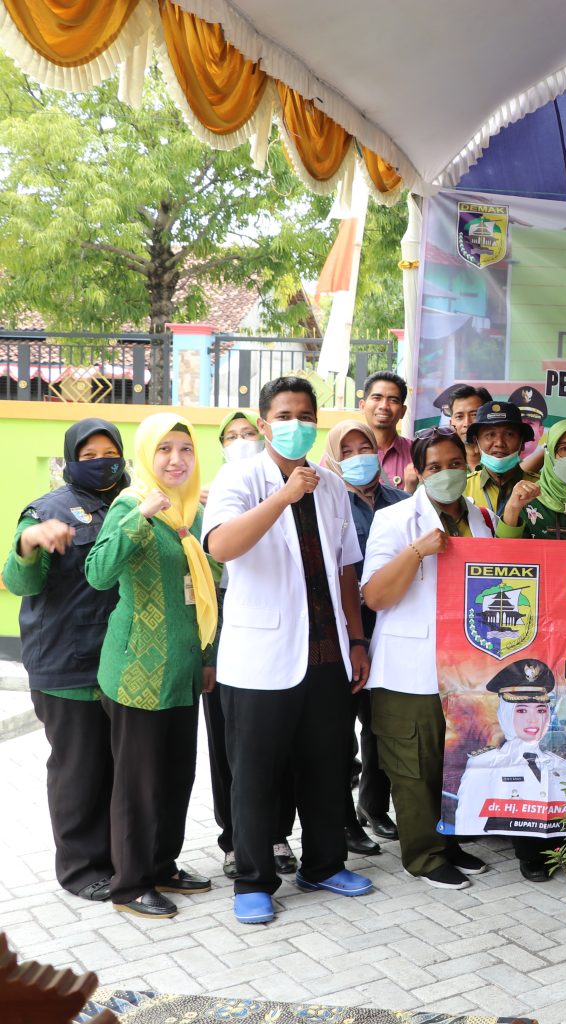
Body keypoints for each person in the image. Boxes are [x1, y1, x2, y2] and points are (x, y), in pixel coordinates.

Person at [203, 376, 375, 925]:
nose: (295, 424)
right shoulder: (238, 477)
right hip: (260, 658)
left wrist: (356, 640)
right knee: (255, 774)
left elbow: (346, 568)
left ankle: (324, 864)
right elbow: (221, 545)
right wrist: (283, 496)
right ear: (263, 424)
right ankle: (254, 880)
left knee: (326, 766)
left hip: (326, 652)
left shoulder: (330, 485)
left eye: (305, 415)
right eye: (284, 415)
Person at [84, 414, 218, 918]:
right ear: (146, 455)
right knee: (137, 785)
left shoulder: (192, 512)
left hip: (183, 668)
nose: (176, 459)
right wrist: (140, 515)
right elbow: (98, 574)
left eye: (185, 448)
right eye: (164, 449)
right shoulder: (130, 504)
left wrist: (207, 658)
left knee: (176, 776)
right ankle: (130, 885)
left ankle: (162, 865)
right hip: (137, 670)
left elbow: (205, 593)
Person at [361, 427, 495, 890]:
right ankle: (422, 856)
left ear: (468, 463)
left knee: (455, 759)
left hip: (466, 668)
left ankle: (449, 843)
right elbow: (375, 596)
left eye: (454, 464)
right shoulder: (394, 519)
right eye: (434, 466)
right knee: (415, 766)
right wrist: (417, 551)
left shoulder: (480, 517)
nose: (446, 473)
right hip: (410, 669)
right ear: (418, 471)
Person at [3, 418, 127, 903]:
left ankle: (125, 859)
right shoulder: (47, 510)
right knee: (80, 770)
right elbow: (20, 582)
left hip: (122, 659)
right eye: (89, 455)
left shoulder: (133, 503)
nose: (101, 463)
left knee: (120, 768)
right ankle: (80, 869)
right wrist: (28, 543)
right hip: (67, 663)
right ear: (71, 459)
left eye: (109, 453)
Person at [205, 412, 300, 879]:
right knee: (233, 745)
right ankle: (236, 841)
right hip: (222, 627)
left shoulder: (294, 484)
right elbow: (217, 551)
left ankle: (277, 834)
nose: (242, 441)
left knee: (279, 744)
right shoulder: (213, 493)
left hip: (281, 630)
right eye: (232, 436)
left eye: (248, 434)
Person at [324, 419, 409, 854]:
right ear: (333, 457)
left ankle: (374, 807)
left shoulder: (402, 501)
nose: (359, 457)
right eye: (348, 450)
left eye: (366, 448)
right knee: (338, 730)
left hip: (392, 629)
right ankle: (340, 820)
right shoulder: (327, 501)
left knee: (380, 726)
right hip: (343, 631)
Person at [454, 660, 566, 881]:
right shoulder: (485, 763)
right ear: (506, 713)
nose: (533, 719)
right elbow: (468, 815)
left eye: (540, 710)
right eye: (521, 710)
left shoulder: (561, 763)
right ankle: (531, 855)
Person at [463, 400, 533, 520]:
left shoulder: (539, 487)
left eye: (509, 434)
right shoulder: (462, 489)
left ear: (522, 443)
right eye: (490, 434)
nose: (499, 443)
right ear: (476, 443)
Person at [360, 371, 415, 491]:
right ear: (362, 406)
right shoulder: (343, 452)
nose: (384, 406)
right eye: (377, 398)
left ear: (403, 411)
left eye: (393, 400)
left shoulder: (417, 454)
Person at [435, 383, 491, 470]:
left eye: (474, 415)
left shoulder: (503, 464)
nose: (467, 423)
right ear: (451, 424)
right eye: (459, 417)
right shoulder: (443, 468)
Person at [511, 385, 550, 458]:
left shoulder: (548, 460)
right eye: (519, 423)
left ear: (540, 431)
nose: (524, 429)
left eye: (530, 424)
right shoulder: (496, 460)